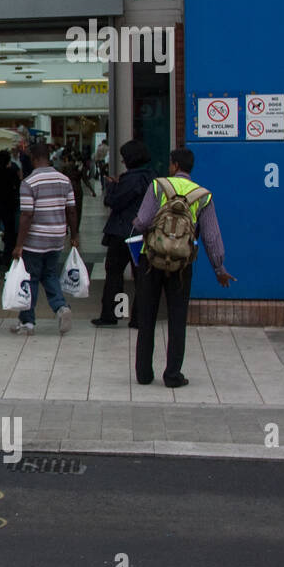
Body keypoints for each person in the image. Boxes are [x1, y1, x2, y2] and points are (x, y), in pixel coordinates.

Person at [132, 147, 235, 388]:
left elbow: (142, 223)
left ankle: (144, 374)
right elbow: (211, 238)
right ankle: (172, 375)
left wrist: (136, 224)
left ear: (175, 166)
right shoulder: (203, 196)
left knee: (146, 316)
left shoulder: (158, 186)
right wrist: (219, 269)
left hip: (151, 261)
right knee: (177, 319)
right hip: (181, 265)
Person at [11, 142, 78, 335]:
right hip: (57, 237)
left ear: (33, 158)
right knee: (49, 275)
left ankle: (27, 322)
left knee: (30, 278)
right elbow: (72, 210)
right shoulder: (64, 180)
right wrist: (74, 235)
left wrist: (19, 244)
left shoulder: (29, 182)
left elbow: (26, 215)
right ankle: (61, 307)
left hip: (35, 239)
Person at [92, 139, 153, 328]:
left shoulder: (130, 180)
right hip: (144, 233)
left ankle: (112, 314)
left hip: (122, 233)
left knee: (114, 274)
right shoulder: (153, 177)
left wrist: (111, 187)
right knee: (142, 277)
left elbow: (113, 201)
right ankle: (138, 317)